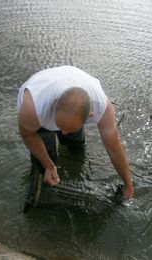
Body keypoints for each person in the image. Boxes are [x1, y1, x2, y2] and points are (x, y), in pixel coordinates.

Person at [17, 65, 134, 198]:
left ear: (90, 116)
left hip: (67, 108)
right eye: (60, 126)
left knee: (76, 146)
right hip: (41, 114)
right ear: (55, 103)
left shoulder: (102, 108)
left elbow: (114, 149)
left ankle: (72, 163)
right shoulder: (33, 107)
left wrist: (128, 186)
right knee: (44, 162)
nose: (64, 132)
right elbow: (27, 134)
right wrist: (48, 165)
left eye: (70, 128)